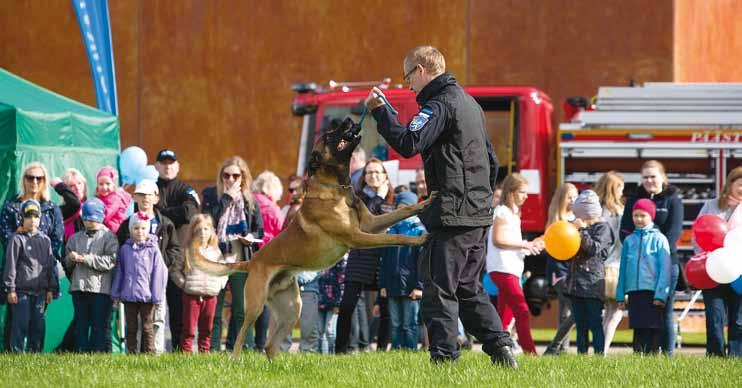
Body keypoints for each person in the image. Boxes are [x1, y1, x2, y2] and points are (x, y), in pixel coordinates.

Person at [365, 45, 516, 366]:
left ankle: (445, 359)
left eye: (409, 78)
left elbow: (408, 142)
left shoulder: (439, 105)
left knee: (438, 289)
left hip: (452, 215)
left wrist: (381, 111)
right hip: (476, 214)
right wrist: (480, 200)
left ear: (421, 70)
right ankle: (501, 348)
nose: (408, 86)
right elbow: (491, 161)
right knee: (467, 290)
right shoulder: (470, 105)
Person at [619, 160, 682, 355]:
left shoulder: (673, 200)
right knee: (641, 317)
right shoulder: (634, 200)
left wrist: (653, 252)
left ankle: (668, 356)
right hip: (639, 270)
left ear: (663, 177)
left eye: (653, 176)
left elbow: (674, 234)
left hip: (665, 265)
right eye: (645, 177)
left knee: (665, 312)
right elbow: (625, 232)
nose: (649, 181)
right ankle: (644, 355)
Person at [201, 156, 264, 352]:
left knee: (241, 308)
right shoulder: (211, 195)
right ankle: (212, 349)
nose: (230, 179)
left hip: (240, 258)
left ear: (243, 177)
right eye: (226, 175)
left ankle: (244, 348)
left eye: (235, 175)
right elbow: (208, 221)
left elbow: (259, 230)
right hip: (217, 258)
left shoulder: (250, 201)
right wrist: (226, 198)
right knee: (214, 309)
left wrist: (250, 237)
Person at [0, 162, 63, 351]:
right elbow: (5, 235)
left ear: (44, 181)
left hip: (42, 276)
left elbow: (57, 238)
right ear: (24, 180)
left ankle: (35, 356)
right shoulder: (12, 205)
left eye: (39, 178)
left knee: (38, 321)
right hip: (18, 276)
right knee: (15, 320)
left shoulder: (51, 208)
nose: (34, 181)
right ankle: (11, 357)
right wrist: (22, 239)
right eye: (30, 177)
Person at [335, 158, 393, 354]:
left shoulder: (394, 200)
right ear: (364, 177)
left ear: (385, 176)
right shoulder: (358, 199)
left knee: (386, 309)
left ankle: (382, 350)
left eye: (378, 172)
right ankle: (340, 350)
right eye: (369, 172)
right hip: (360, 256)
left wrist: (385, 198)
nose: (373, 175)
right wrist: (379, 198)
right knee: (347, 306)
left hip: (383, 257)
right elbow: (367, 224)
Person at [117, 179, 181, 354]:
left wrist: (162, 266)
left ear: (156, 198)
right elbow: (120, 248)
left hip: (156, 281)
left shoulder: (165, 224)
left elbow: (175, 249)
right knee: (134, 322)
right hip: (134, 282)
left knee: (157, 318)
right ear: (135, 197)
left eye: (149, 194)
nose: (145, 198)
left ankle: (156, 354)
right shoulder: (127, 224)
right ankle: (134, 354)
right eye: (141, 194)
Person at [486, 173, 544, 355]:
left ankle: (498, 349)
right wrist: (525, 244)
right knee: (521, 309)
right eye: (522, 192)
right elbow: (498, 240)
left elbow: (508, 243)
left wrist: (528, 248)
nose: (526, 196)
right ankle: (530, 352)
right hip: (504, 269)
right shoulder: (502, 212)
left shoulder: (512, 214)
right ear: (511, 192)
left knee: (506, 313)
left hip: (509, 268)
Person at [692, 166, 742, 357]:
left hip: (739, 272)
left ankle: (737, 357)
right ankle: (715, 357)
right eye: (740, 185)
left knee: (738, 319)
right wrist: (705, 258)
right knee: (714, 317)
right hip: (714, 269)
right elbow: (699, 234)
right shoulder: (712, 205)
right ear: (730, 184)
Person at [155, 148, 200, 351]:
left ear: (177, 166)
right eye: (163, 163)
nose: (167, 166)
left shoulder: (185, 189)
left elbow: (189, 212)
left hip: (178, 259)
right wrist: (174, 213)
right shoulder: (150, 187)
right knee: (152, 310)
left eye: (171, 162)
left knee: (178, 309)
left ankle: (180, 351)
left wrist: (161, 213)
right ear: (156, 166)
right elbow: (144, 211)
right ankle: (151, 351)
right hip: (153, 257)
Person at [616, 199, 671, 354]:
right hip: (634, 292)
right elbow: (623, 269)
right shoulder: (629, 240)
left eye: (643, 215)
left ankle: (653, 358)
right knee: (638, 328)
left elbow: (665, 270)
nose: (638, 219)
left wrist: (661, 295)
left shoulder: (660, 239)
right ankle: (638, 357)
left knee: (653, 328)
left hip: (652, 292)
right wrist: (620, 296)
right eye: (635, 215)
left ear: (651, 216)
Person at [64, 198, 118, 352]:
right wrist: (71, 258)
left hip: (100, 291)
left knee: (98, 327)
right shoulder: (75, 238)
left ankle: (98, 356)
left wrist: (85, 259)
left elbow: (110, 261)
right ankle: (81, 355)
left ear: (101, 218)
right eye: (86, 219)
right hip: (79, 289)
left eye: (93, 219)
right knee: (81, 326)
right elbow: (66, 263)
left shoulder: (109, 237)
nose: (89, 222)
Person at [169, 214, 229, 354]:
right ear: (193, 231)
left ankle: (204, 352)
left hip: (210, 295)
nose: (203, 233)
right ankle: (186, 352)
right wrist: (184, 284)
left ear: (212, 231)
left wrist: (219, 284)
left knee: (207, 328)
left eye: (206, 229)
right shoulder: (188, 251)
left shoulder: (215, 252)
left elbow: (223, 271)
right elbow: (175, 271)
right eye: (199, 229)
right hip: (192, 296)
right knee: (189, 328)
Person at [565, 190, 614, 355]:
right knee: (580, 324)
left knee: (595, 322)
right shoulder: (578, 226)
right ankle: (581, 355)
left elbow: (594, 248)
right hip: (576, 284)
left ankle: (600, 355)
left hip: (593, 285)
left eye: (583, 216)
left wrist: (581, 231)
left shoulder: (602, 228)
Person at [111, 212, 168, 354]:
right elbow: (120, 272)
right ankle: (132, 353)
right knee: (131, 327)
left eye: (143, 228)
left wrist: (156, 296)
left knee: (148, 326)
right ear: (131, 231)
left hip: (147, 297)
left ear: (147, 230)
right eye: (136, 228)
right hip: (129, 296)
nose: (140, 232)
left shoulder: (153, 250)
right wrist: (116, 293)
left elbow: (159, 274)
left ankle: (149, 352)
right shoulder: (125, 250)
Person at [380, 191, 425, 350]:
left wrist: (419, 286)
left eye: (406, 208)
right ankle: (397, 350)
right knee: (396, 322)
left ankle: (411, 350)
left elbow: (422, 263)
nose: (402, 211)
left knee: (409, 323)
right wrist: (383, 285)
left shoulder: (419, 231)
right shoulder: (390, 231)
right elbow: (384, 261)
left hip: (411, 286)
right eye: (399, 208)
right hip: (392, 285)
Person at [543, 183, 578, 355]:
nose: (573, 200)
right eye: (570, 197)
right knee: (575, 310)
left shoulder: (577, 217)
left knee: (566, 312)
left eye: (575, 196)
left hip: (573, 271)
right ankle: (555, 346)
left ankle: (562, 349)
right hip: (559, 272)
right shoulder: (556, 220)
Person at [594, 171, 625, 353]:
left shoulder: (597, 209)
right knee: (616, 311)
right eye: (620, 187)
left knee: (604, 311)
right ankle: (603, 349)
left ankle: (600, 348)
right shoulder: (618, 211)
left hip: (599, 267)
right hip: (616, 266)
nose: (622, 192)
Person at [318, 256, 346, 354]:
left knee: (329, 330)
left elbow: (342, 282)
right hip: (320, 300)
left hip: (334, 301)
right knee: (320, 330)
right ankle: (322, 356)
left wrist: (338, 304)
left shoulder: (340, 260)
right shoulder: (319, 259)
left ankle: (332, 354)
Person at [50, 168, 87, 242]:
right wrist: (58, 185)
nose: (77, 188)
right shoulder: (63, 209)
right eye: (71, 186)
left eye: (79, 183)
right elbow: (74, 204)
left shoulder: (92, 205)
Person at [95, 166, 131, 234]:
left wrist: (94, 218)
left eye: (108, 184)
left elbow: (106, 215)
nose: (104, 187)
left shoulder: (115, 198)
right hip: (106, 229)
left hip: (117, 230)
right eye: (101, 184)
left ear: (113, 184)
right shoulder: (98, 198)